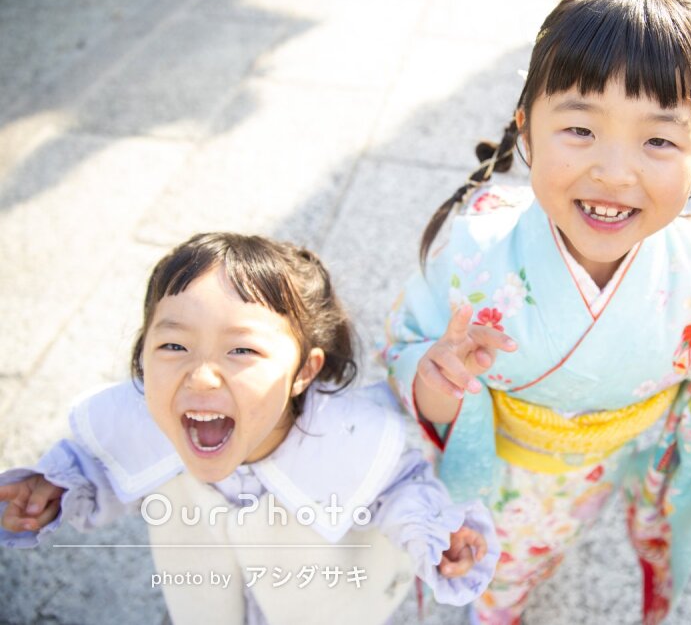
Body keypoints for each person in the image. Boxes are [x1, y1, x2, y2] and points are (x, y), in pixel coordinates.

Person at [381, 0, 691, 625]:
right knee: (493, 579)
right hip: (491, 472)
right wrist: (436, 381)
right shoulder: (474, 252)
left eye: (659, 140)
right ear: (527, 130)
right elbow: (407, 348)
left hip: (596, 476)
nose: (614, 171)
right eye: (580, 128)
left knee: (546, 549)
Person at [0, 232, 499, 625]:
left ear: (304, 371)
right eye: (173, 346)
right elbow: (105, 460)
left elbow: (397, 490)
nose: (201, 376)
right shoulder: (147, 418)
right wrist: (54, 489)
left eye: (241, 350)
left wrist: (436, 536)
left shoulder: (346, 434)